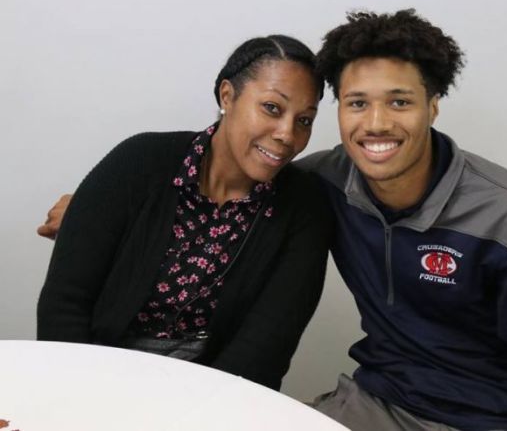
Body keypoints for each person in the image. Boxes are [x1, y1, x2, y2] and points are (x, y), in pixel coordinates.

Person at [39, 10, 507, 430]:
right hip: (378, 403)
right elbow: (93, 266)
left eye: (401, 101)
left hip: (496, 418)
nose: (377, 124)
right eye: (358, 103)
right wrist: (90, 210)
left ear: (434, 105)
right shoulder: (323, 182)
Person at [36, 34, 333, 392]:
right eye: (272, 107)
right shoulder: (138, 162)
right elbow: (65, 303)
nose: (288, 134)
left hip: (213, 393)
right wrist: (80, 394)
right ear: (228, 95)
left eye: (304, 121)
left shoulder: (303, 206)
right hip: (95, 373)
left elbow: (266, 347)